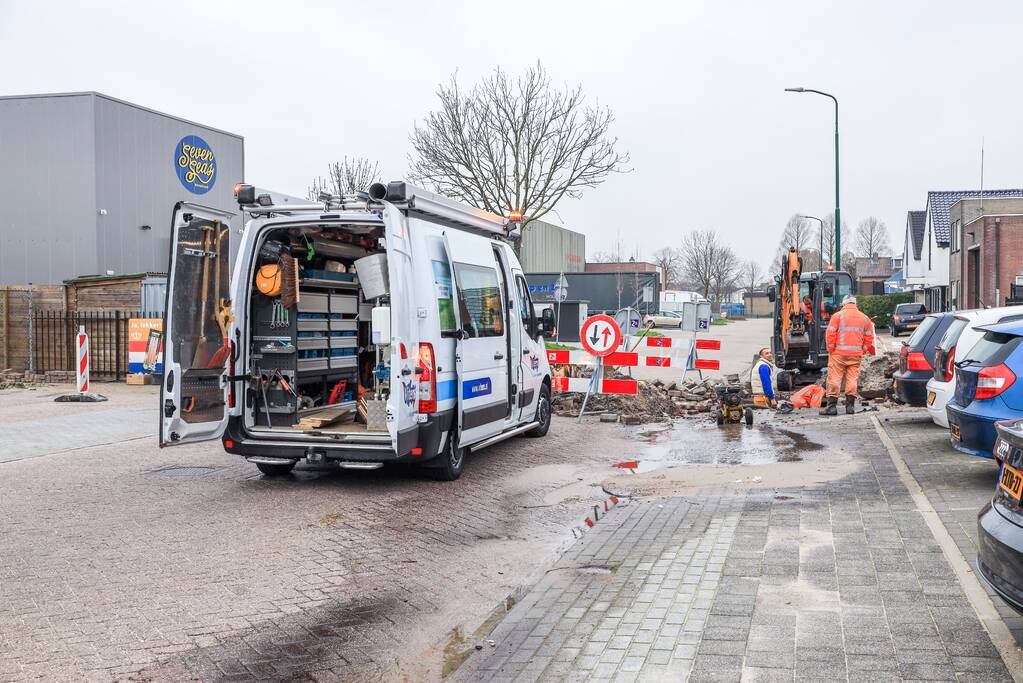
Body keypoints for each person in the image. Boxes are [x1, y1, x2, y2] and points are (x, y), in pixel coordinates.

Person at [821, 294, 875, 415]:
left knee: (834, 378)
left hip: (838, 354)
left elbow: (830, 334)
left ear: (844, 304)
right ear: (855, 304)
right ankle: (850, 407)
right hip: (855, 354)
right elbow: (869, 338)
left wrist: (830, 349)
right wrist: (863, 350)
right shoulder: (865, 318)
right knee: (852, 379)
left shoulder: (837, 316)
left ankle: (832, 407)